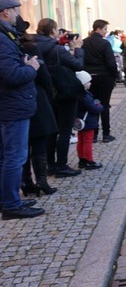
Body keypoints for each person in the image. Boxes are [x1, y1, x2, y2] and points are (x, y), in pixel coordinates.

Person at [0, 0, 44, 219]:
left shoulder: (6, 36)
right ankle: (10, 204)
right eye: (15, 11)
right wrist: (32, 67)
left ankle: (8, 200)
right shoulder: (2, 39)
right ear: (6, 13)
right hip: (12, 107)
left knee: (7, 157)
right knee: (14, 157)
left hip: (9, 105)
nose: (18, 15)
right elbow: (11, 75)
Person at [35, 18, 85, 178]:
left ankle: (51, 165)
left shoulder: (33, 46)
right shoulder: (57, 49)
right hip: (64, 92)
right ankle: (62, 165)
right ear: (52, 31)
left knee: (51, 130)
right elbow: (78, 65)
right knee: (64, 131)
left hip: (47, 92)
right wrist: (77, 49)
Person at [17, 16, 58, 197]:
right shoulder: (29, 47)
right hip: (36, 97)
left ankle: (27, 183)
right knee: (39, 142)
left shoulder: (14, 47)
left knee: (23, 145)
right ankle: (41, 181)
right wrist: (49, 91)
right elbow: (44, 75)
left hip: (20, 100)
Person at [83, 20, 118, 143]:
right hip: (104, 77)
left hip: (89, 78)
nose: (106, 32)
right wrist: (115, 76)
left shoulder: (84, 43)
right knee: (104, 105)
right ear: (98, 29)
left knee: (92, 105)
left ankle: (93, 134)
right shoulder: (104, 44)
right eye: (105, 29)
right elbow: (111, 63)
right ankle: (106, 134)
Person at [74, 71, 104, 170]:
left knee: (81, 141)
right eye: (88, 82)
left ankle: (82, 159)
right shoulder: (85, 96)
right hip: (88, 122)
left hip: (80, 122)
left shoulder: (78, 94)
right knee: (87, 141)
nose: (90, 83)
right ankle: (89, 160)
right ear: (83, 84)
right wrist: (100, 107)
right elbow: (93, 108)